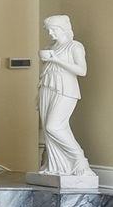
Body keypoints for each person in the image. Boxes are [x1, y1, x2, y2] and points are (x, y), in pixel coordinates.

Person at [34, 14, 93, 186]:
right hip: (47, 88)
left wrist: (56, 59)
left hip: (65, 89)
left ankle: (80, 160)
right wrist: (38, 94)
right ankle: (55, 165)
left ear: (63, 29)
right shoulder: (51, 46)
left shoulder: (75, 46)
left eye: (54, 29)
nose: (51, 33)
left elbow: (82, 71)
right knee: (47, 129)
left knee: (54, 126)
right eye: (49, 30)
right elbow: (47, 71)